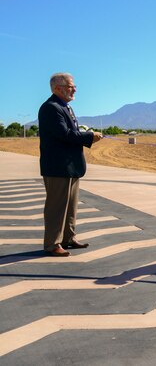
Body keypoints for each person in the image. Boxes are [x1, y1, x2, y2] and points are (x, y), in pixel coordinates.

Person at [38, 73, 103, 257]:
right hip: (58, 167)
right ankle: (52, 244)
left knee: (71, 206)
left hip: (71, 166)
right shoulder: (51, 108)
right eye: (70, 86)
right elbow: (65, 134)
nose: (74, 89)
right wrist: (90, 137)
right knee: (56, 207)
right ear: (57, 88)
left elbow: (70, 133)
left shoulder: (65, 107)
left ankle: (68, 238)